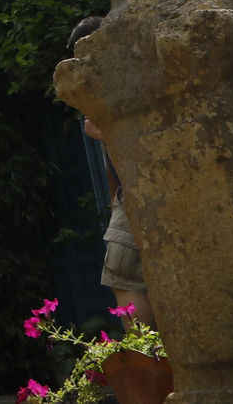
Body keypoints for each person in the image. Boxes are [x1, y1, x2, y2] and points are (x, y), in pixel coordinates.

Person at [82, 115, 156, 331]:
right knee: (124, 274)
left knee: (126, 276)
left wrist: (107, 134)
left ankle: (147, 358)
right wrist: (115, 199)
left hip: (147, 192)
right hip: (129, 199)